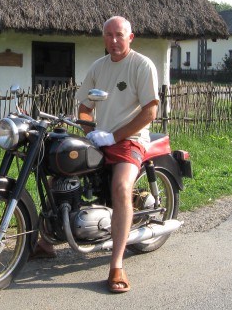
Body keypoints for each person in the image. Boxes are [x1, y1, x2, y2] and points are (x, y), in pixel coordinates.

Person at [76, 15, 159, 293]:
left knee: (121, 187)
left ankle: (116, 265)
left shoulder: (141, 65)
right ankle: (47, 240)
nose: (113, 40)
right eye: (108, 35)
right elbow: (85, 107)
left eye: (119, 35)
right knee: (61, 169)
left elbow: (150, 111)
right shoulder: (98, 67)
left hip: (130, 139)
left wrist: (114, 135)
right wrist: (90, 130)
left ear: (130, 37)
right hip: (101, 138)